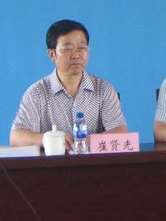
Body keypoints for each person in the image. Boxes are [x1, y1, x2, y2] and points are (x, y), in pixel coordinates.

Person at [10, 19, 127, 148]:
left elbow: (120, 131)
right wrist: (50, 139)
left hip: (92, 159)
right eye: (68, 49)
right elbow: (16, 138)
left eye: (82, 48)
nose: (76, 55)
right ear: (52, 54)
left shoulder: (103, 89)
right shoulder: (36, 93)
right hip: (53, 160)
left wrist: (91, 141)